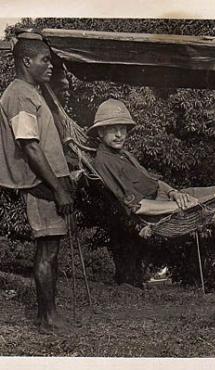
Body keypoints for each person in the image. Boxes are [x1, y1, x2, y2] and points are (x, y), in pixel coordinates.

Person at [0, 36, 74, 332]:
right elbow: (29, 146)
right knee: (47, 250)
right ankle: (47, 319)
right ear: (26, 61)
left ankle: (50, 315)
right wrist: (57, 188)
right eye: (45, 60)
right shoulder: (20, 95)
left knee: (51, 248)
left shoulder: (32, 91)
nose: (49, 66)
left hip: (49, 180)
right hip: (41, 183)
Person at [88, 98, 215, 217]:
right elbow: (139, 206)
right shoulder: (104, 161)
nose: (119, 135)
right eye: (113, 130)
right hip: (160, 208)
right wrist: (179, 206)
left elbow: (154, 182)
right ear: (101, 132)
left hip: (168, 198)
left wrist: (174, 193)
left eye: (122, 129)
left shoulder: (123, 154)